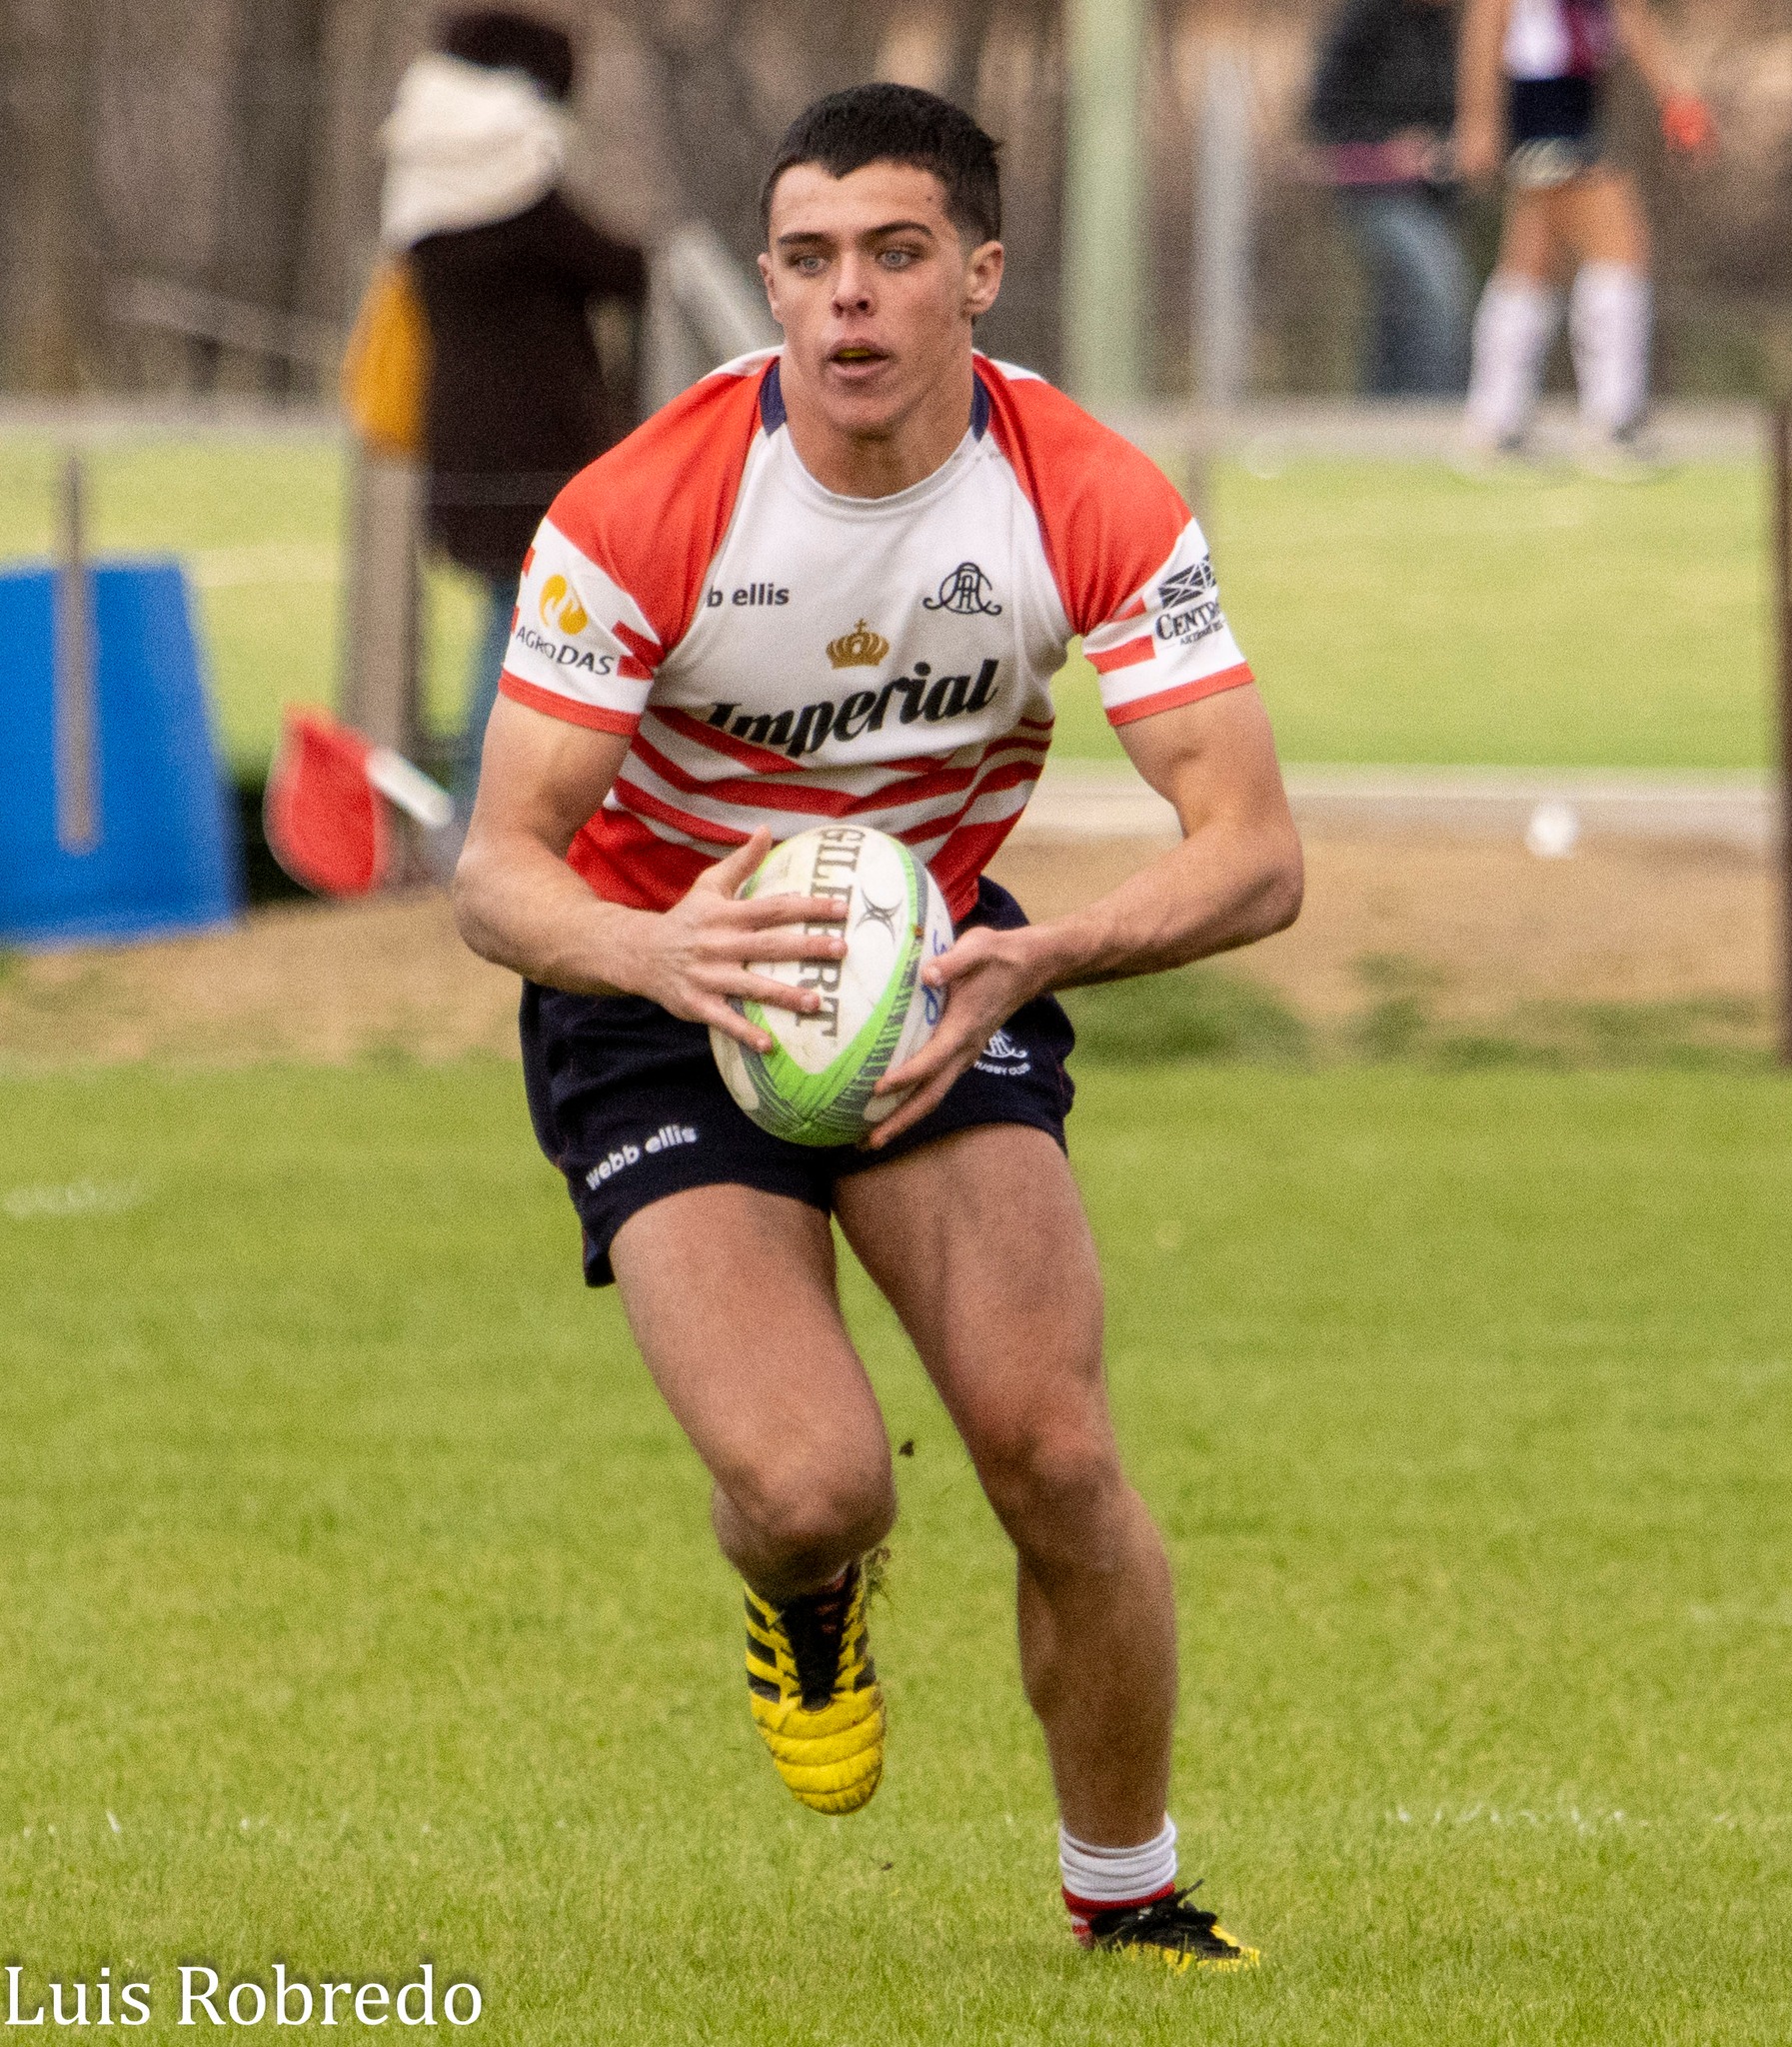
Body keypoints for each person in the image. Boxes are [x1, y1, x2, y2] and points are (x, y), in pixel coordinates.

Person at [452, 83, 1302, 1970]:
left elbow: (1251, 854)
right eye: (809, 261)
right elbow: (494, 871)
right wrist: (655, 955)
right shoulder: (644, 507)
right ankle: (806, 1588)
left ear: (978, 276)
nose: (846, 302)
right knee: (812, 1480)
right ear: (767, 280)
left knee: (1055, 1451)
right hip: (657, 989)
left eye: (894, 256)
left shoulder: (1077, 492)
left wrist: (1036, 953)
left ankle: (1129, 1900)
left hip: (935, 970)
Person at [379, 9, 647, 814]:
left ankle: (478, 811)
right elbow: (622, 266)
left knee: (514, 617)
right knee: (525, 632)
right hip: (544, 452)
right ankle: (482, 813)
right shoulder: (521, 207)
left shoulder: (424, 208)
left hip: (460, 446)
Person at [1455, 0, 1714, 466]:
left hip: (1576, 107)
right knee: (1620, 247)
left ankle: (1497, 419)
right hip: (1539, 107)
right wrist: (1479, 122)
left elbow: (1631, 22)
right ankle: (1613, 419)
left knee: (1533, 264)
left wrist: (1678, 96)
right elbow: (1486, 25)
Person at [1310, 0, 1470, 396]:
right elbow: (1325, 112)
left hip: (1433, 194)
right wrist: (1388, 143)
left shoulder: (1445, 27)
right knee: (1437, 286)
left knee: (1402, 311)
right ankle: (1432, 416)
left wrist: (1444, 146)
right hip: (1375, 190)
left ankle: (1385, 416)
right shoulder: (1365, 21)